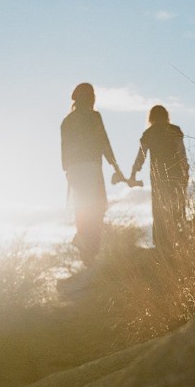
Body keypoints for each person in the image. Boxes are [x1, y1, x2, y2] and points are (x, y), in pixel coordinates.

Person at [61, 82, 122, 266]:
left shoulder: (67, 121)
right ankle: (91, 250)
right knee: (97, 207)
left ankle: (85, 249)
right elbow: (103, 140)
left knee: (82, 208)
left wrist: (67, 171)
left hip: (74, 170)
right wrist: (114, 164)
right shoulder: (94, 116)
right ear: (90, 97)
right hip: (91, 167)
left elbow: (64, 150)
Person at [129, 105, 189, 251]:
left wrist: (133, 174)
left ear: (151, 117)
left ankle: (161, 243)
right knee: (178, 206)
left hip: (158, 176)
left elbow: (140, 157)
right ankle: (181, 238)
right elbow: (181, 152)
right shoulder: (174, 130)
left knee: (159, 208)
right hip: (176, 174)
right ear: (166, 115)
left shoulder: (149, 133)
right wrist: (185, 170)